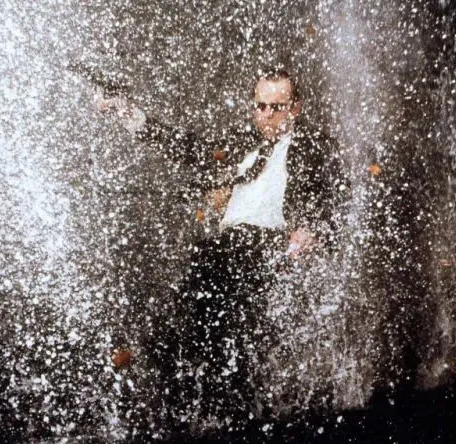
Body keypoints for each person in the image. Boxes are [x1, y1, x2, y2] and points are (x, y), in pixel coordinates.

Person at [98, 69, 345, 422]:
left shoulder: (314, 147)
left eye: (277, 107)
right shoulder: (242, 143)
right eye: (260, 106)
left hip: (268, 250)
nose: (267, 115)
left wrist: (311, 229)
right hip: (226, 251)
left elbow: (333, 199)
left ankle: (204, 389)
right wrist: (126, 111)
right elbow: (187, 148)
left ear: (295, 108)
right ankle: (184, 397)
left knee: (210, 285)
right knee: (187, 324)